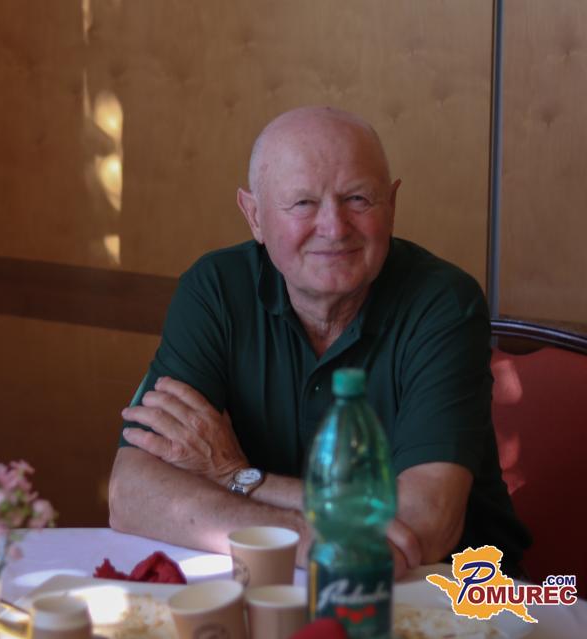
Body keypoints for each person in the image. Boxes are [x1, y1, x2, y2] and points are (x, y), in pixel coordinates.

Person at [108, 106, 530, 578]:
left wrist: (238, 477)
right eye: (303, 203)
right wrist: (317, 541)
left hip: (453, 592)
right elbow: (130, 494)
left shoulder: (443, 303)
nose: (334, 227)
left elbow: (421, 524)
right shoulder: (215, 290)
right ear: (254, 216)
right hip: (284, 580)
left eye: (357, 199)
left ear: (391, 205)